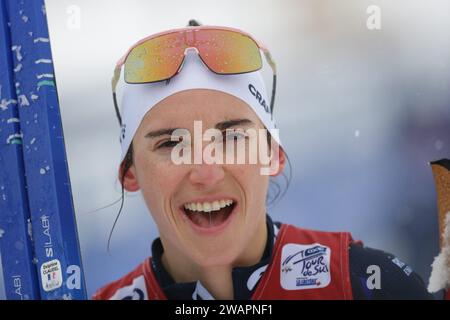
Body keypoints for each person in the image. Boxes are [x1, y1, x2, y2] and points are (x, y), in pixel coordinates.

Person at [93, 20, 433, 300]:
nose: (206, 172)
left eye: (232, 138)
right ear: (129, 171)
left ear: (273, 154)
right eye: (171, 143)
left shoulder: (365, 284)